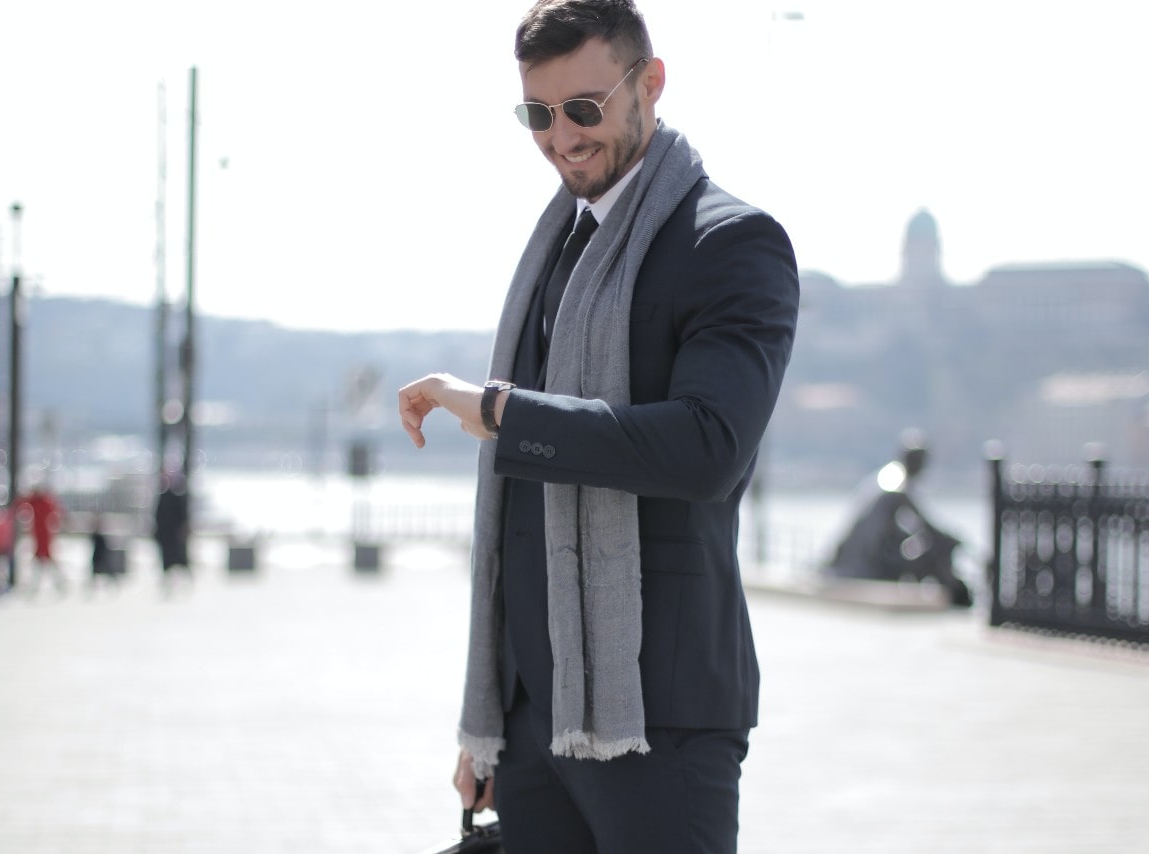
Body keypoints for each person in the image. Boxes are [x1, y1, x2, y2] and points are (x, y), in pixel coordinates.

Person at [397, 2, 799, 850]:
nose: (561, 137)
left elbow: (706, 449)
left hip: (664, 718)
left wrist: (501, 412)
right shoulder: (554, 251)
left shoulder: (732, 244)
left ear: (649, 83)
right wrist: (494, 717)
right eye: (537, 115)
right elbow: (520, 518)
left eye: (584, 107)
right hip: (539, 723)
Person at [825, 431, 971, 606]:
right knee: (929, 553)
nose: (921, 466)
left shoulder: (887, 476)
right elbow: (924, 525)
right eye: (919, 460)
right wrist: (951, 538)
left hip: (863, 554)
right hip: (866, 561)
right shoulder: (896, 485)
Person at [17, 484, 67, 596]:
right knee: (42, 562)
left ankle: (58, 583)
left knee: (44, 561)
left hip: (43, 536)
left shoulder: (45, 502)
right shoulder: (35, 501)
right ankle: (56, 583)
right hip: (38, 535)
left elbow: (57, 511)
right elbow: (22, 502)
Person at [153, 472, 190, 590]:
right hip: (169, 536)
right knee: (173, 559)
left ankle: (182, 581)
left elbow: (181, 517)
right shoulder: (167, 497)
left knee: (177, 559)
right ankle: (170, 583)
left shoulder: (173, 497)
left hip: (170, 536)